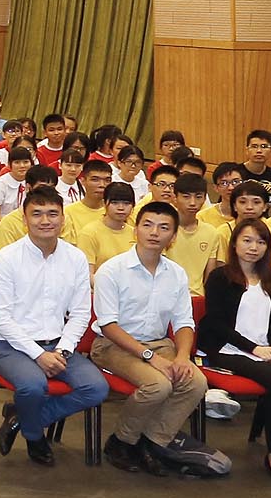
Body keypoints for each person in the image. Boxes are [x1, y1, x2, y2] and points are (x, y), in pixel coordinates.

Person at [86, 202, 215, 475]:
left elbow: (184, 322)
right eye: (147, 225)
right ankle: (121, 441)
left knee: (196, 382)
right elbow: (108, 325)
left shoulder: (176, 273)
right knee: (158, 385)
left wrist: (183, 357)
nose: (154, 232)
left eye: (164, 227)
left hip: (159, 343)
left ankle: (152, 443)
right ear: (136, 230)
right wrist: (150, 357)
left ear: (173, 236)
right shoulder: (112, 270)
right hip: (113, 345)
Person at [0, 188, 109, 466]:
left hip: (57, 345)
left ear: (63, 219)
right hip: (9, 346)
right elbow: (1, 318)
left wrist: (62, 351)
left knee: (96, 388)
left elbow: (80, 313)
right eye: (37, 214)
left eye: (53, 214)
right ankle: (34, 435)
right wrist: (38, 355)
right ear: (25, 219)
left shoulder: (75, 258)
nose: (45, 221)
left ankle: (22, 418)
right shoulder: (6, 258)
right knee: (32, 386)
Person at [198, 219, 271, 479]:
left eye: (261, 242)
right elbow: (216, 323)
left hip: (265, 347)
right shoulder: (220, 277)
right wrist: (254, 349)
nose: (253, 247)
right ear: (234, 243)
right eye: (247, 241)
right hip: (227, 347)